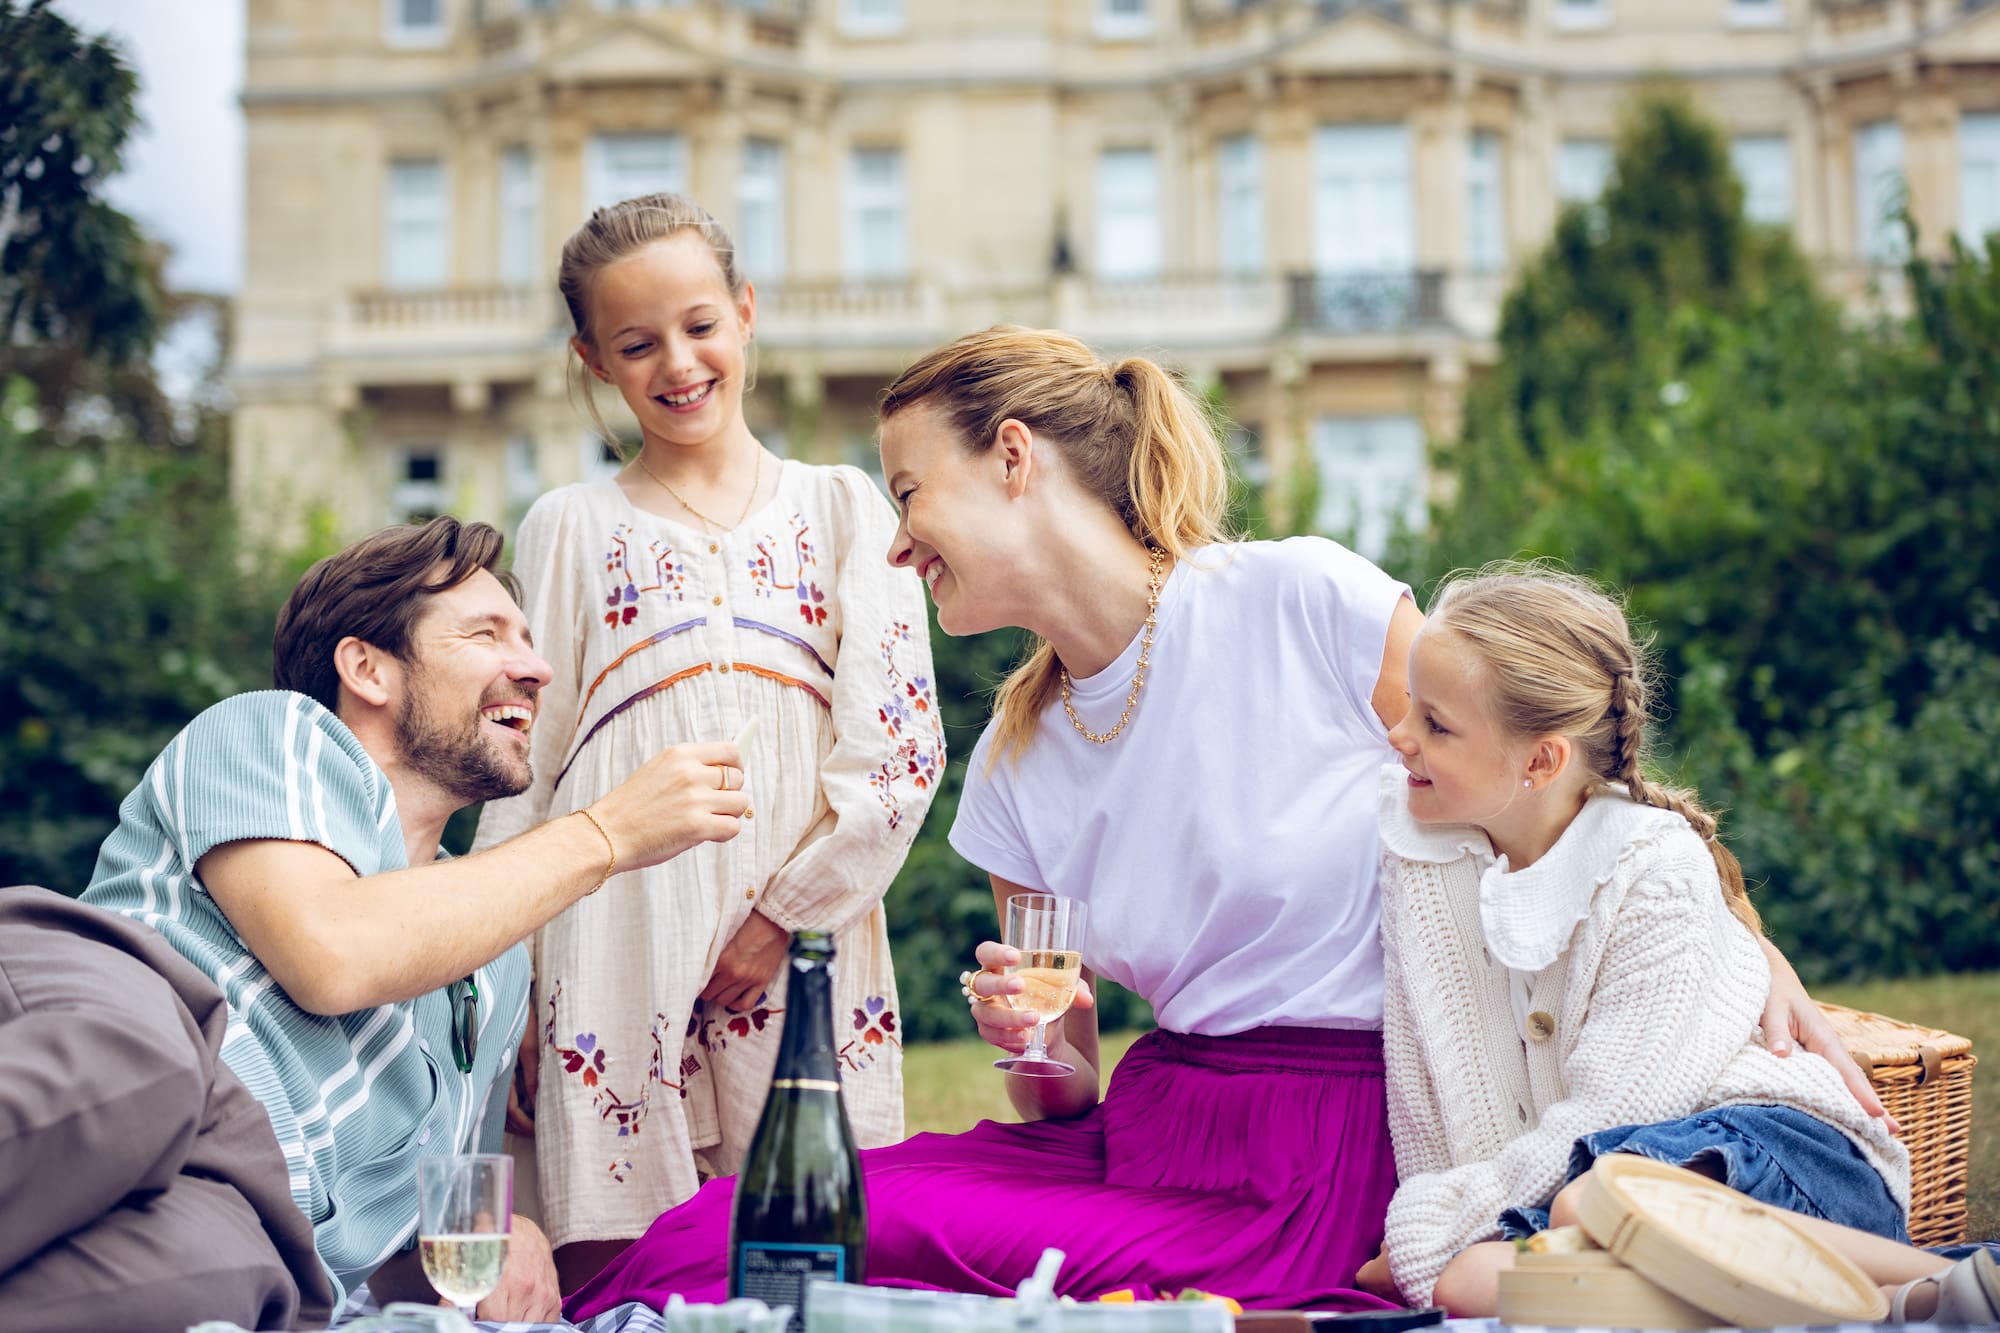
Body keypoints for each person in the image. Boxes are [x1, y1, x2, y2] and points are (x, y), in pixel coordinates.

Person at [566, 326, 1896, 1320]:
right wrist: (1041, 1041)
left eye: (911, 491)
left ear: (1013, 458)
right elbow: (1062, 1086)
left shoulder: (1295, 603)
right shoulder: (1013, 767)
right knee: (741, 1230)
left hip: (1352, 1128)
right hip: (1153, 1124)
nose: (898, 543)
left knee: (940, 1266)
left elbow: (1547, 780)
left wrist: (1733, 940)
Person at [80, 516, 751, 1321]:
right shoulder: (267, 735)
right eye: (486, 633)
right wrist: (606, 833)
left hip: (286, 1295)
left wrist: (502, 1237)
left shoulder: (491, 962)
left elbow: (409, 1262)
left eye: (530, 640)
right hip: (128, 1193)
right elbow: (334, 952)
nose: (536, 669)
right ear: (366, 667)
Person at [471, 192, 940, 1290]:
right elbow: (519, 781)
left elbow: (901, 757)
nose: (676, 363)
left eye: (697, 326)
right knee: (614, 1270)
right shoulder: (568, 527)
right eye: (636, 344)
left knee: (804, 1260)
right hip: (607, 953)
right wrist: (509, 1004)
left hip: (799, 953)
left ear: (744, 312)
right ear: (593, 360)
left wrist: (784, 917)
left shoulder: (844, 511)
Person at [1355, 564, 1988, 1317]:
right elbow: (1428, 1084)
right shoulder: (1420, 859)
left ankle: (1951, 1277)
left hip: (1772, 1150)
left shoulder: (1651, 865)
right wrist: (1449, 1223)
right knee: (1468, 1278)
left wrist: (1439, 1217)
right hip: (1580, 1183)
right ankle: (1884, 1306)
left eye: (1436, 723)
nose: (1398, 736)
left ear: (1540, 761)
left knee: (1595, 1203)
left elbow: (1621, 1104)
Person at [0, 885, 335, 1333]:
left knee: (198, 1285)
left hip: (241, 1200)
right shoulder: (318, 827)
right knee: (130, 1072)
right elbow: (334, 960)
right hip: (97, 1000)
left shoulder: (457, 1021)